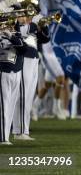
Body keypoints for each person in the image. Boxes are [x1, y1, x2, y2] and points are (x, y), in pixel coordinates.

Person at [12, 11, 51, 140]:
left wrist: (43, 26)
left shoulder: (31, 27)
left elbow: (45, 38)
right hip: (24, 60)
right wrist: (34, 23)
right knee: (22, 95)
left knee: (29, 96)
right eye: (24, 14)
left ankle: (24, 130)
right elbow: (23, 33)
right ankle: (19, 131)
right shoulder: (18, 26)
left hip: (34, 60)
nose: (27, 16)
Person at [0, 20, 26, 145]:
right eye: (6, 23)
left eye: (11, 24)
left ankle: (5, 136)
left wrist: (11, 36)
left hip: (16, 73)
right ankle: (2, 138)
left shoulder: (14, 35)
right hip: (2, 72)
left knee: (9, 107)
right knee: (3, 107)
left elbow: (24, 49)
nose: (9, 26)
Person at [33, 43, 69, 121]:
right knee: (60, 78)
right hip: (49, 54)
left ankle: (35, 106)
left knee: (47, 85)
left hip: (57, 54)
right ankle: (56, 108)